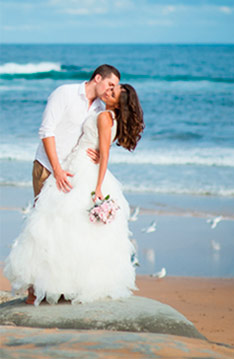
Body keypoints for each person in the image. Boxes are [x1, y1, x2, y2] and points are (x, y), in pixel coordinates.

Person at [4, 83, 144, 306]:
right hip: (82, 164)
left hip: (84, 169)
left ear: (120, 102)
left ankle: (52, 287)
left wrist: (97, 187)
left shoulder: (104, 116)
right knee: (74, 227)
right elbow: (103, 149)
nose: (108, 92)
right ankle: (64, 287)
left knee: (60, 224)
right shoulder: (108, 115)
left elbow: (105, 154)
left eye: (113, 92)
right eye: (110, 88)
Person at [33, 64, 120, 198]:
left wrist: (98, 155)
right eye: (110, 84)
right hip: (48, 167)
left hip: (73, 172)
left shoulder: (100, 109)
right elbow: (46, 131)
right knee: (42, 215)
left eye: (113, 88)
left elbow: (96, 139)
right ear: (98, 78)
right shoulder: (65, 93)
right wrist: (57, 169)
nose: (110, 90)